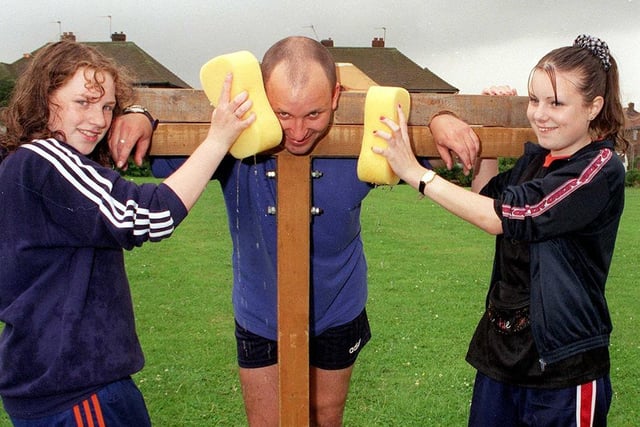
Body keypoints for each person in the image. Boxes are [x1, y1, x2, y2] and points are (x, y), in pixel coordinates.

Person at [145, 36, 481, 426]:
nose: (299, 130)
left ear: (337, 96)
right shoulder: (232, 138)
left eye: (314, 114)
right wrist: (138, 112)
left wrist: (441, 115)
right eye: (283, 113)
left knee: (324, 418)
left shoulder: (368, 137)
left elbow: (418, 122)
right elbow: (157, 135)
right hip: (259, 312)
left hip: (338, 308)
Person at [372, 34, 628, 426]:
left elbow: (507, 214)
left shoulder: (597, 169)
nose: (539, 114)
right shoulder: (537, 162)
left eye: (556, 103)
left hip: (562, 366)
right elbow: (485, 196)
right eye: (533, 99)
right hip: (503, 354)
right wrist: (488, 132)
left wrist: (417, 174)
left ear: (593, 106)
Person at [0, 40, 255, 426]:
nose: (100, 120)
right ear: (44, 98)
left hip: (59, 386)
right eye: (82, 102)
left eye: (106, 107)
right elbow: (150, 215)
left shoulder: (21, 165)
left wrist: (137, 111)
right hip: (76, 390)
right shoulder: (46, 161)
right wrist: (218, 138)